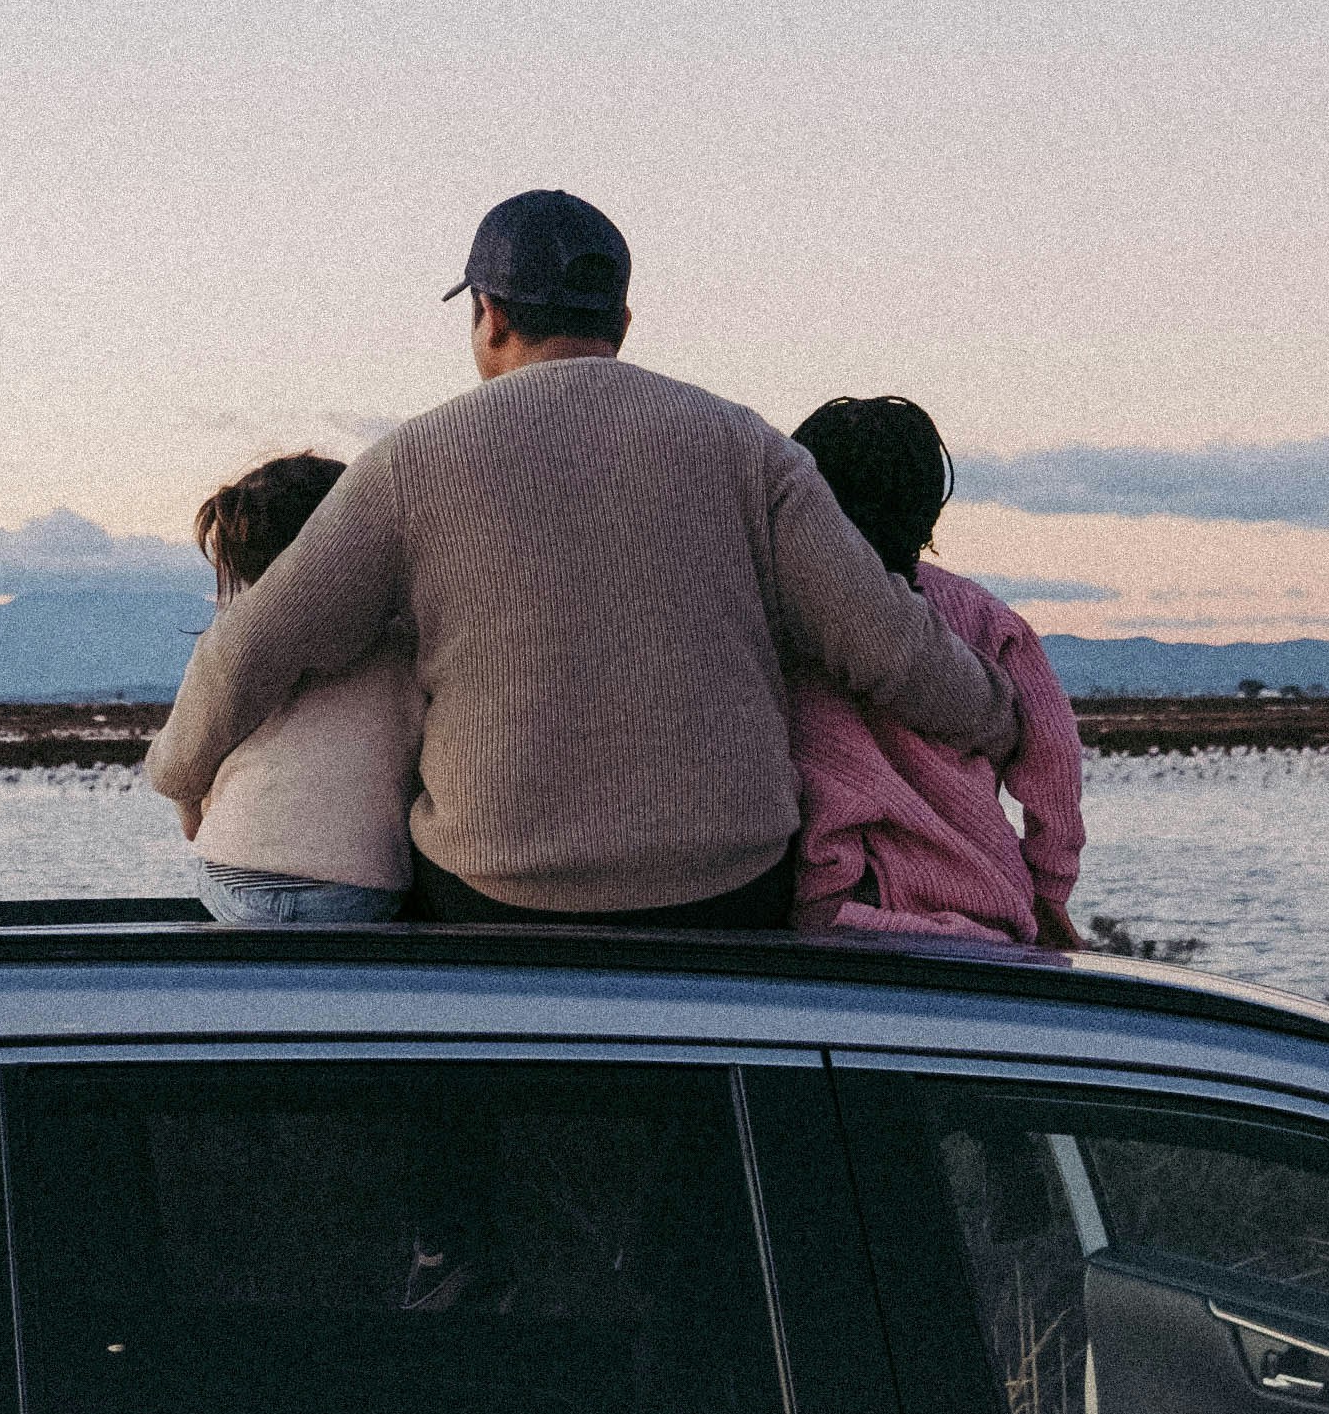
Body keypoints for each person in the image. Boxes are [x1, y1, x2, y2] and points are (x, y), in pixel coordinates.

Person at [145, 190, 1015, 927]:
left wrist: (180, 775)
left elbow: (253, 649)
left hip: (498, 897)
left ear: (486, 314)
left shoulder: (413, 462)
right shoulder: (746, 448)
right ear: (622, 321)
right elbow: (888, 646)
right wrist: (998, 714)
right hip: (726, 890)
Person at [781, 394, 1087, 947]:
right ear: (928, 505)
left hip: (834, 905)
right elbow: (1055, 762)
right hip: (980, 906)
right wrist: (1049, 889)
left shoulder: (779, 614)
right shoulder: (988, 620)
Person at [163, 450, 400, 925]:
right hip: (360, 890)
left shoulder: (232, 643)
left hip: (236, 875)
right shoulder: (402, 644)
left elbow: (177, 766)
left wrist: (196, 811)